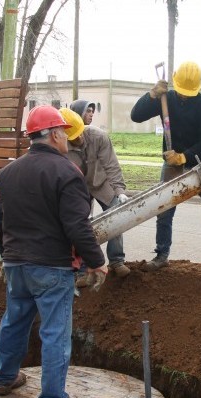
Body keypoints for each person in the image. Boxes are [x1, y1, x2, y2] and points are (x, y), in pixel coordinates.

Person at [0, 105, 107, 398]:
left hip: (16, 264)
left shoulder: (8, 173)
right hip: (52, 268)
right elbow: (77, 226)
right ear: (55, 135)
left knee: (14, 321)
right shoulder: (67, 172)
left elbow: (0, 221)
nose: (68, 141)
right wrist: (97, 262)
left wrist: (8, 256)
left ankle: (4, 379)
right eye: (65, 134)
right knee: (56, 333)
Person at [130, 61, 201, 272]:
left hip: (200, 164)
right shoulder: (165, 98)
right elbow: (136, 116)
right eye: (181, 92)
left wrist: (183, 157)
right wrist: (152, 94)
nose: (184, 96)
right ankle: (161, 255)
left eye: (188, 93)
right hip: (171, 167)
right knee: (164, 210)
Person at [59, 108, 131, 279]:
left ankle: (117, 260)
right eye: (73, 137)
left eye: (80, 133)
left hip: (101, 183)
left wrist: (120, 191)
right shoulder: (61, 147)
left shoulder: (98, 136)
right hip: (78, 188)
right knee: (80, 224)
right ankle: (83, 268)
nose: (79, 138)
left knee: (115, 214)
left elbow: (111, 165)